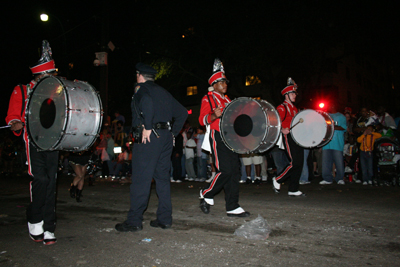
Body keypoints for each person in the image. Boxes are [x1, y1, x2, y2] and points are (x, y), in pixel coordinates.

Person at [115, 63, 187, 232]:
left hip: (148, 137)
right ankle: (164, 219)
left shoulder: (140, 90)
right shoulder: (164, 92)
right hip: (165, 137)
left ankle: (134, 221)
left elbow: (146, 103)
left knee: (141, 179)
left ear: (139, 75)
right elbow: (182, 112)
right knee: (162, 179)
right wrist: (173, 133)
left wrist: (147, 126)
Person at [5, 40, 58, 245]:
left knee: (51, 181)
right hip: (33, 142)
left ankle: (49, 227)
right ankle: (35, 220)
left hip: (53, 142)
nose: (50, 78)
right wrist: (15, 122)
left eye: (51, 74)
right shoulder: (22, 90)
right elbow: (13, 115)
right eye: (48, 75)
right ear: (38, 76)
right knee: (40, 180)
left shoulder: (56, 93)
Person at [198, 58, 250, 217]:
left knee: (234, 171)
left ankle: (232, 206)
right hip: (218, 135)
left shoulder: (228, 100)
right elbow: (202, 120)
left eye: (225, 82)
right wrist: (213, 115)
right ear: (214, 85)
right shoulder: (208, 98)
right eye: (221, 82)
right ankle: (206, 192)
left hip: (231, 138)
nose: (225, 84)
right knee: (225, 170)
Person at [272, 78, 305, 197]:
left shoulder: (295, 109)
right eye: (292, 93)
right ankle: (278, 179)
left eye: (295, 93)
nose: (295, 95)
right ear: (286, 95)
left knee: (299, 163)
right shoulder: (282, 108)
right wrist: (281, 129)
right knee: (294, 162)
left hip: (297, 137)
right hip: (288, 136)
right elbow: (275, 122)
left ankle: (293, 189)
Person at [319, 104, 347, 185]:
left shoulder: (341, 116)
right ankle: (327, 178)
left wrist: (331, 126)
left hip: (337, 143)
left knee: (339, 162)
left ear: (333, 106)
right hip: (326, 143)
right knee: (326, 162)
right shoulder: (325, 116)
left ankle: (340, 178)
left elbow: (343, 127)